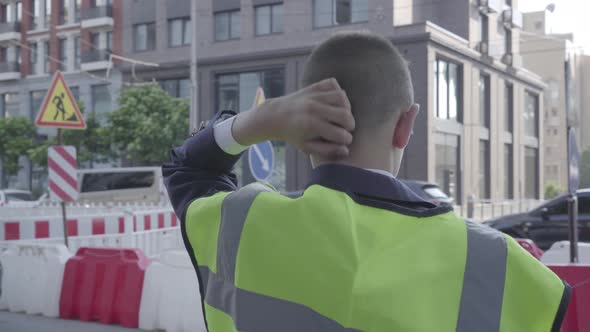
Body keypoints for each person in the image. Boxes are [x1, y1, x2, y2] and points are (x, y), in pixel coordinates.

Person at [163, 32, 570, 332]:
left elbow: (188, 169)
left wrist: (263, 119)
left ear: (298, 118)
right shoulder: (501, 265)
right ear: (406, 125)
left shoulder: (244, 223)